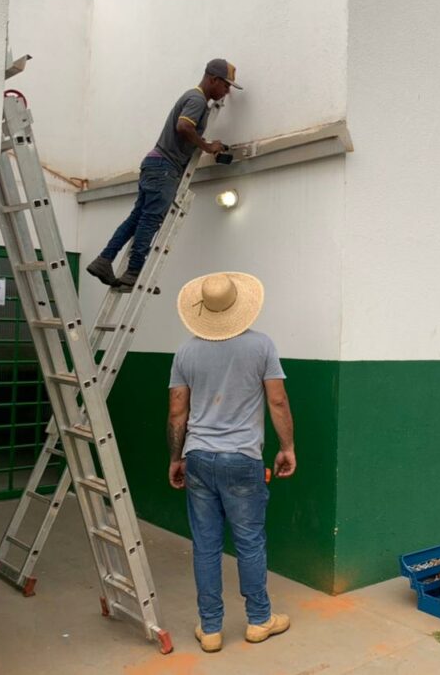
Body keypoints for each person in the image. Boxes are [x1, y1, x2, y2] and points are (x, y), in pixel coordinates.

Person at [166, 271, 296, 653]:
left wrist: (176, 457)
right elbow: (277, 400)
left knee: (205, 546)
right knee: (250, 541)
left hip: (199, 458)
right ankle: (259, 621)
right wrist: (286, 446)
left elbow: (177, 411)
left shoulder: (186, 351)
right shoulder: (262, 347)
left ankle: (210, 630)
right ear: (240, 307)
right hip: (242, 458)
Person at [86, 59, 243, 289]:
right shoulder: (197, 100)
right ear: (213, 80)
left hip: (154, 164)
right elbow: (183, 127)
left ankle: (104, 259)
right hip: (164, 169)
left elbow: (183, 131)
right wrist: (207, 147)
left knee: (136, 218)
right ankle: (133, 273)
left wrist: (206, 144)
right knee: (150, 220)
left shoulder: (193, 98)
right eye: (226, 85)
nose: (227, 91)